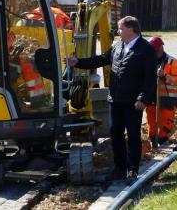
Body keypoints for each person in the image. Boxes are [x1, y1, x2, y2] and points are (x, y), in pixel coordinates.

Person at [67, 16, 156, 184]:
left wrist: (143, 98)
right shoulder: (117, 47)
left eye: (121, 28)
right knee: (115, 133)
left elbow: (150, 78)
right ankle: (119, 169)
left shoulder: (146, 49)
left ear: (132, 30)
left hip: (133, 102)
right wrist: (78, 62)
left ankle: (132, 170)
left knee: (133, 135)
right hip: (115, 100)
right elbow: (101, 59)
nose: (118, 31)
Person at [145, 36, 177, 147]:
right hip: (152, 99)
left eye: (155, 51)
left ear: (161, 48)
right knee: (151, 124)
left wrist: (165, 76)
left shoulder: (172, 62)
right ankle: (153, 142)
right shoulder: (148, 61)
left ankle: (163, 143)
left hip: (168, 100)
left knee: (165, 125)